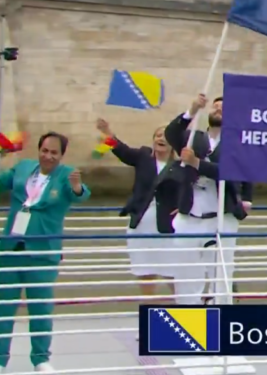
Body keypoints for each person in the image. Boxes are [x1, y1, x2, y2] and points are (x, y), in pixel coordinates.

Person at [0, 132, 91, 373]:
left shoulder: (65, 174)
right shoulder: (23, 167)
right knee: (3, 307)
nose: (48, 156)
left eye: (54, 153)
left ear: (61, 155)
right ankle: (0, 359)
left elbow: (80, 194)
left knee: (40, 308)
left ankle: (40, 358)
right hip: (10, 249)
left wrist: (77, 188)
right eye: (44, 151)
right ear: (38, 150)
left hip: (42, 251)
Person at [163, 93, 254, 305]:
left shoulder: (238, 144)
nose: (218, 109)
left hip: (221, 216)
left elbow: (230, 172)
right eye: (215, 106)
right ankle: (188, 313)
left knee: (221, 272)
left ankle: (220, 313)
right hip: (190, 216)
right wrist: (192, 110)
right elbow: (171, 133)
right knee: (186, 272)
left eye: (224, 107)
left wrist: (197, 163)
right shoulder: (194, 138)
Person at [97, 119, 181, 300]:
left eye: (166, 136)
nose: (161, 138)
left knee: (172, 269)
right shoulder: (144, 156)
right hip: (141, 223)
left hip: (168, 226)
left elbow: (192, 188)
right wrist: (107, 133)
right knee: (144, 268)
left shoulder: (180, 165)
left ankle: (182, 303)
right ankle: (149, 304)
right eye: (158, 135)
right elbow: (122, 151)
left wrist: (183, 207)